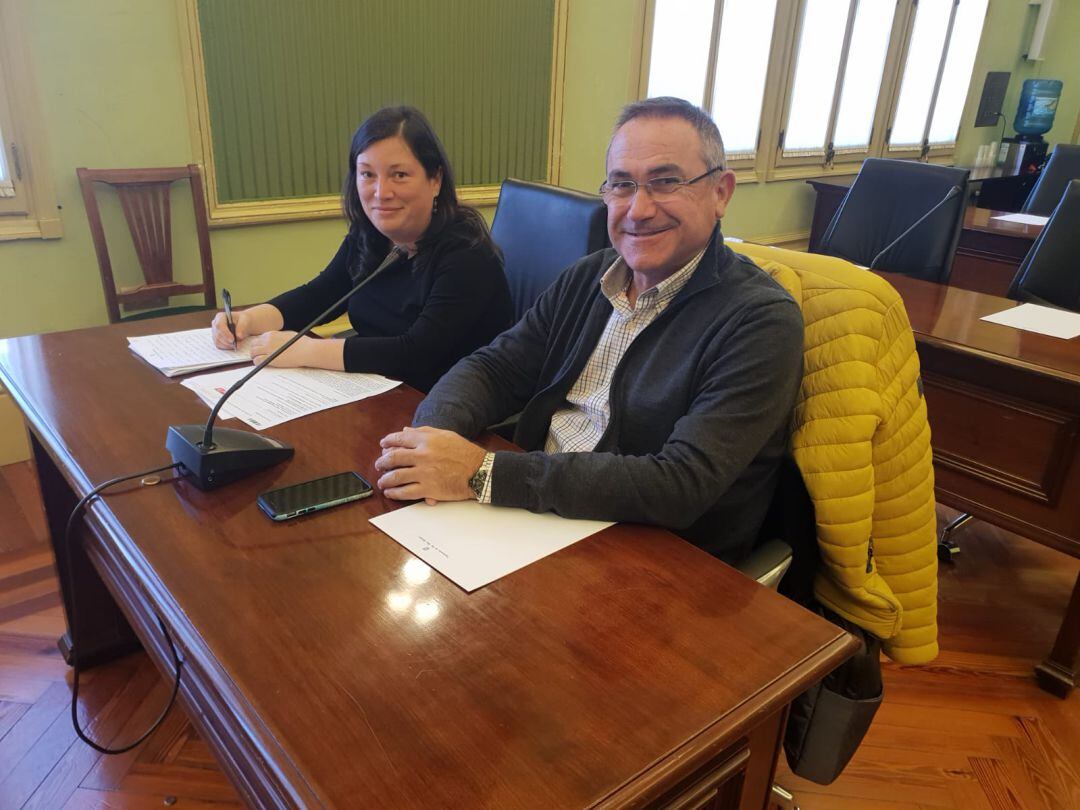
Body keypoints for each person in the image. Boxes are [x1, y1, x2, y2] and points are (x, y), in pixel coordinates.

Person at [374, 97, 804, 562]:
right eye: (622, 185)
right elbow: (493, 368)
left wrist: (482, 473)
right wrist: (429, 445)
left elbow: (680, 484)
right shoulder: (589, 276)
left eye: (665, 182)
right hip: (531, 517)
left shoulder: (760, 320)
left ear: (721, 192)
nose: (638, 209)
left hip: (654, 559)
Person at [211, 106, 512, 393]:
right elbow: (319, 295)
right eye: (367, 174)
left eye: (399, 175)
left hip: (439, 407)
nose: (381, 192)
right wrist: (249, 320)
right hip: (377, 388)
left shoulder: (467, 255)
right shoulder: (371, 236)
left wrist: (308, 350)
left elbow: (418, 353)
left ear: (435, 180)